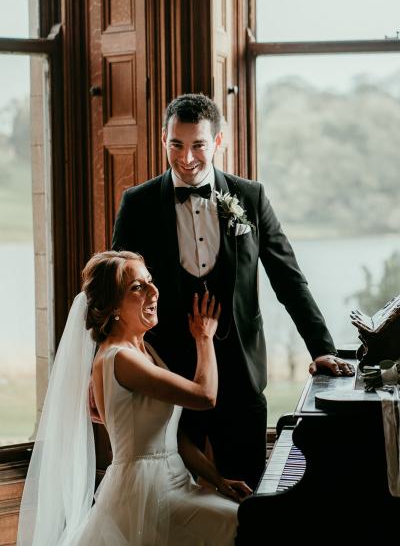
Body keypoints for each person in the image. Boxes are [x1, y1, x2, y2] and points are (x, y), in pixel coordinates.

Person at [112, 93, 354, 491]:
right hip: (168, 373)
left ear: (219, 142)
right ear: (163, 139)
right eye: (176, 144)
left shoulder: (251, 197)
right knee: (172, 494)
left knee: (247, 494)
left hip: (240, 374)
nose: (186, 158)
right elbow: (118, 290)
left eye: (198, 146)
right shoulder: (137, 204)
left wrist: (321, 348)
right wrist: (105, 362)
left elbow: (288, 278)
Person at [17, 251, 252, 546]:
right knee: (241, 524)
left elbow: (172, 438)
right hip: (148, 496)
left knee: (244, 519)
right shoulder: (120, 358)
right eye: (137, 288)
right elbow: (205, 396)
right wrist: (204, 338)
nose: (154, 292)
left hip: (178, 484)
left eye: (150, 282)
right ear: (113, 305)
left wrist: (218, 481)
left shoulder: (145, 351)